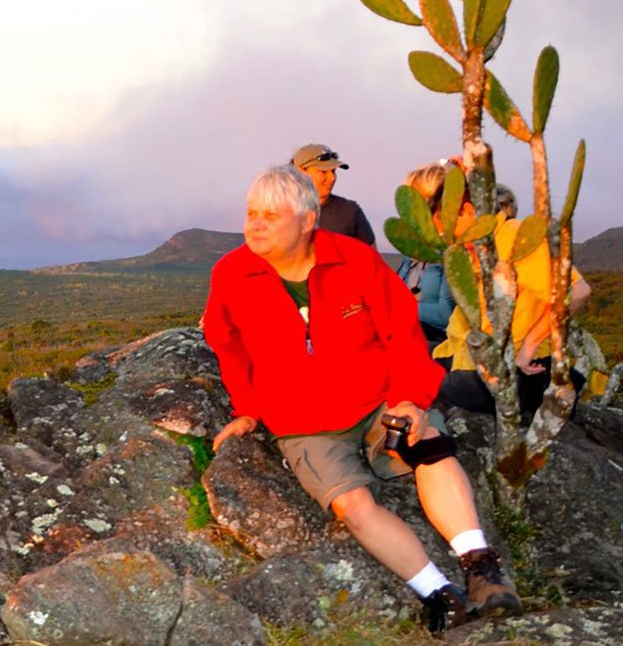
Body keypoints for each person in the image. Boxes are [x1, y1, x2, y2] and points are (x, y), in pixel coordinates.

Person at [204, 165, 519, 633]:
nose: (256, 224)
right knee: (351, 504)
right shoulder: (232, 274)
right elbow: (227, 346)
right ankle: (438, 592)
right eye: (252, 213)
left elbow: (403, 334)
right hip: (303, 423)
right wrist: (248, 410)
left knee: (429, 447)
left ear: (308, 220)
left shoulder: (353, 259)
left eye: (272, 215)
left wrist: (411, 399)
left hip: (379, 399)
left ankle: (480, 568)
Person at [432, 190, 593, 424]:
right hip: (470, 358)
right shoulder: (473, 250)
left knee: (432, 390)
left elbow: (578, 292)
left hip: (520, 371)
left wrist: (529, 346)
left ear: (468, 211)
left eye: (443, 225)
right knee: (408, 370)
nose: (441, 234)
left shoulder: (516, 235)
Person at [395, 162, 457, 350]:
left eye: (413, 200)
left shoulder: (453, 249)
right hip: (405, 331)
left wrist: (395, 309)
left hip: (435, 342)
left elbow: (446, 315)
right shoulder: (415, 248)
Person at [292, 143, 376, 245]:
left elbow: (372, 255)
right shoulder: (279, 210)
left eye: (333, 171)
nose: (332, 178)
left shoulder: (350, 211)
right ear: (300, 172)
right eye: (323, 172)